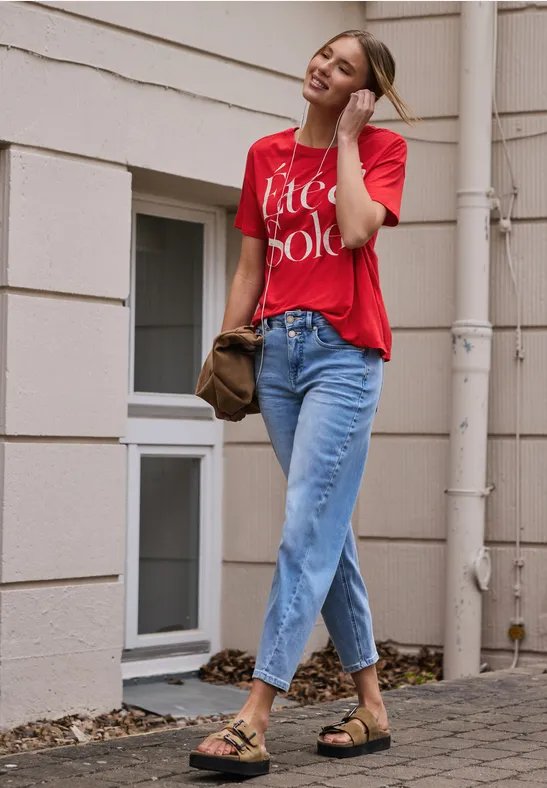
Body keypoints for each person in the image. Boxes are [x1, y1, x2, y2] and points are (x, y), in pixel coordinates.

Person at [190, 28, 414, 777]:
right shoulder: (264, 156)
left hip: (344, 356)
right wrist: (226, 347)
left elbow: (354, 229)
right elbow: (251, 264)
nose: (323, 66)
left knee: (302, 528)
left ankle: (255, 714)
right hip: (278, 355)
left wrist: (348, 140)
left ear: (364, 92)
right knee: (325, 531)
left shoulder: (382, 152)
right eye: (324, 54)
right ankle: (372, 707)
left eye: (344, 67)